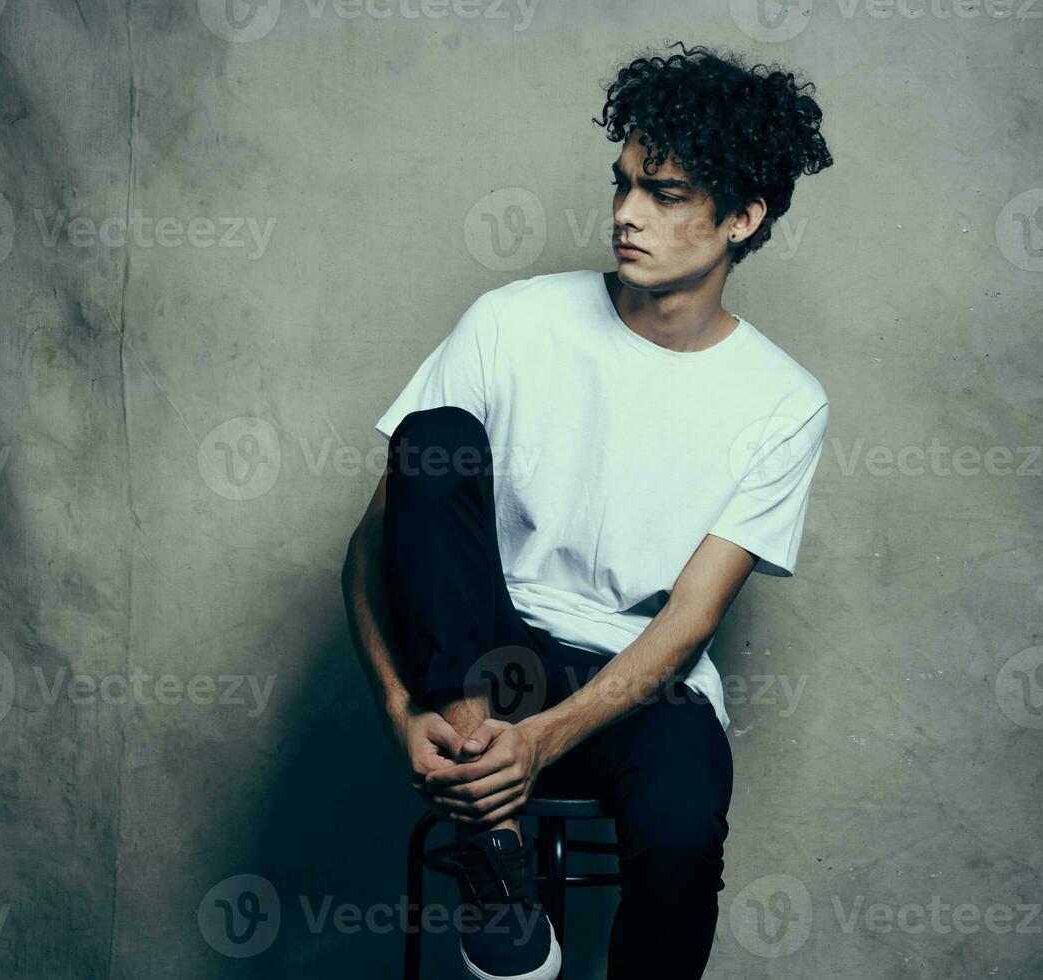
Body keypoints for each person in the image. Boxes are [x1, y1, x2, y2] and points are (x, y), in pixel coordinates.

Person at [342, 40, 835, 980]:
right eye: (622, 185)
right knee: (433, 434)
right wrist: (405, 710)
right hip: (486, 661)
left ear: (743, 216)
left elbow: (689, 624)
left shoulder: (784, 400)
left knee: (685, 826)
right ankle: (493, 857)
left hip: (633, 684)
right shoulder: (510, 322)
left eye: (667, 193)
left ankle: (505, 814)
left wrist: (542, 743)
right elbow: (372, 551)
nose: (625, 214)